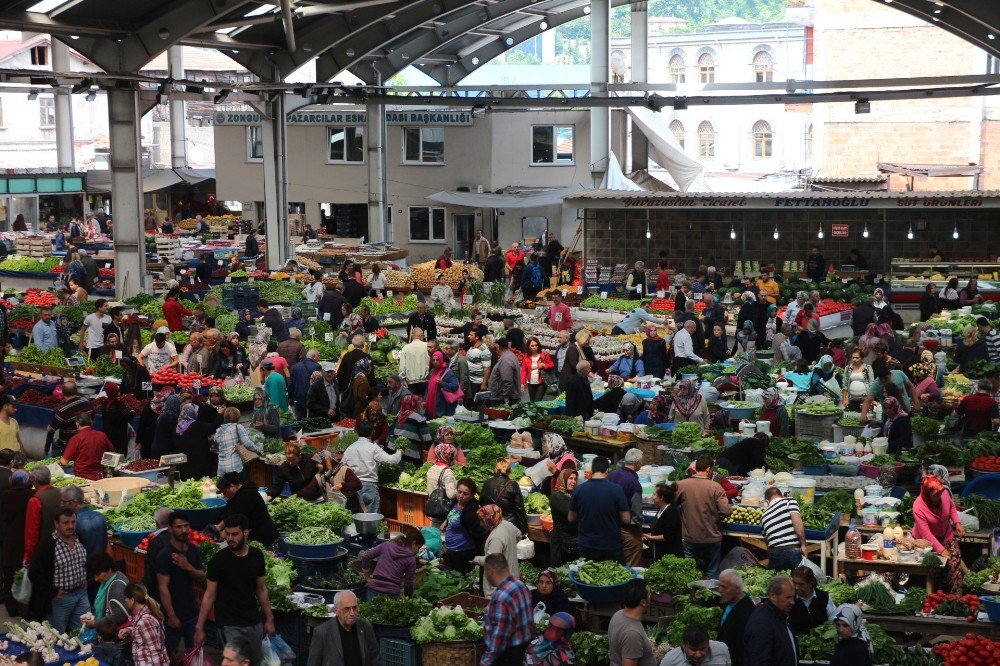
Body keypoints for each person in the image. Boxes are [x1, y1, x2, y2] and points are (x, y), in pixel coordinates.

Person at [194, 514, 276, 666]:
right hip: (229, 624)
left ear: (246, 532)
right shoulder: (218, 560)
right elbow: (209, 596)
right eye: (227, 533)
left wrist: (269, 619)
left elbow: (261, 589)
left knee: (254, 661)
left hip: (253, 621)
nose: (230, 538)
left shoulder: (257, 556)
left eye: (235, 534)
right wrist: (200, 627)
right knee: (235, 662)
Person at [153, 512, 205, 657]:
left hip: (192, 613)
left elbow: (201, 577)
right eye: (179, 527)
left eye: (186, 526)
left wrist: (187, 566)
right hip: (173, 615)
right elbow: (163, 587)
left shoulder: (193, 550)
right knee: (170, 655)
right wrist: (171, 615)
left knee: (194, 654)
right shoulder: (165, 555)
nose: (183, 530)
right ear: (170, 529)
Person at [28, 509, 89, 631]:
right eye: (65, 523)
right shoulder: (48, 545)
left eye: (73, 522)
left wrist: (84, 577)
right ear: (56, 524)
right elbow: (34, 573)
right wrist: (52, 592)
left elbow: (82, 561)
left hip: (81, 593)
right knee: (58, 634)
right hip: (61, 599)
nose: (70, 526)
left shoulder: (79, 538)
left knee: (83, 630)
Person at [674, 455, 733, 580]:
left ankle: (691, 596)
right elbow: (726, 511)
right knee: (712, 571)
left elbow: (671, 503)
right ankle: (709, 597)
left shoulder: (681, 485)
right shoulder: (716, 487)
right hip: (712, 537)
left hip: (690, 536)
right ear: (708, 469)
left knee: (690, 572)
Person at [568, 456, 631, 563]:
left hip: (587, 545)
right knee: (613, 577)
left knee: (590, 576)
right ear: (607, 470)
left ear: (592, 470)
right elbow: (626, 519)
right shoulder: (616, 490)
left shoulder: (579, 490)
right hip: (611, 545)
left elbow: (571, 518)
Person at [911, 475, 965, 592]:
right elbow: (926, 534)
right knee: (931, 571)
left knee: (954, 567)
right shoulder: (918, 507)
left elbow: (951, 507)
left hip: (946, 535)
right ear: (927, 494)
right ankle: (933, 598)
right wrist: (941, 550)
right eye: (936, 495)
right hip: (925, 543)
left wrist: (957, 523)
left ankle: (954, 598)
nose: (940, 496)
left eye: (941, 493)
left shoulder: (943, 493)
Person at [481, 552, 534, 665]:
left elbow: (499, 639)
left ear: (490, 570)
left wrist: (485, 662)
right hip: (523, 650)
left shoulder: (500, 597)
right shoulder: (520, 585)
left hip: (506, 657)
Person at [307, 590, 379, 666]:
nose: (352, 613)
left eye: (354, 608)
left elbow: (375, 660)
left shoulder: (366, 627)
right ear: (336, 611)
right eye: (346, 609)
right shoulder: (322, 632)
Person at [343, 420, 401, 513]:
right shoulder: (373, 448)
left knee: (355, 520)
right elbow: (393, 461)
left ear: (357, 432)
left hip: (354, 488)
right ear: (372, 432)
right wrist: (399, 452)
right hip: (370, 487)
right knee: (371, 521)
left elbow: (343, 467)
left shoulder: (350, 448)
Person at [743, 576, 798, 666]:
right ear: (773, 595)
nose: (792, 602)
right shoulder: (761, 624)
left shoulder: (781, 616)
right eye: (787, 597)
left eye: (793, 597)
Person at [608, 448, 646, 567]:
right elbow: (636, 515)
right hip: (627, 530)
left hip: (609, 526)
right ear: (638, 463)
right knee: (630, 565)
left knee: (613, 564)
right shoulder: (634, 484)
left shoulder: (612, 475)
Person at [360, 530, 424, 600]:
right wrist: (408, 597)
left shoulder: (387, 545)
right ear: (413, 544)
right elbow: (408, 582)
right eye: (418, 547)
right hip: (392, 593)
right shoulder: (411, 559)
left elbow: (366, 557)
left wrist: (367, 576)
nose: (418, 551)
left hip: (374, 588)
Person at [1, 470, 32, 615]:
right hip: (26, 542)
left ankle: (12, 609)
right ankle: (25, 609)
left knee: (9, 577)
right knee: (24, 577)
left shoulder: (5, 496)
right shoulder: (32, 496)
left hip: (8, 543)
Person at [475, 506, 523, 596]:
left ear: (489, 520)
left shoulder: (496, 538)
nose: (480, 524)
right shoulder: (507, 524)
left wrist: (476, 559)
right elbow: (519, 534)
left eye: (482, 520)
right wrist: (508, 547)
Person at [758, 487, 808, 571]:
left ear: (767, 501)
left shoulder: (763, 517)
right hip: (792, 551)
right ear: (781, 496)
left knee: (779, 582)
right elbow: (797, 523)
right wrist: (803, 544)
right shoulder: (789, 501)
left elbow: (767, 543)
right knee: (798, 581)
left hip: (774, 554)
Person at [119, 583, 170, 665]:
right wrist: (129, 630)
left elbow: (155, 651)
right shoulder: (146, 611)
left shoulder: (145, 621)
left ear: (132, 600)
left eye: (126, 598)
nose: (125, 600)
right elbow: (145, 632)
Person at [439, 477, 482, 574]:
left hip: (462, 553)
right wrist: (446, 521)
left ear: (472, 495)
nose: (461, 496)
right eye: (459, 491)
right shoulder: (456, 502)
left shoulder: (472, 511)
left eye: (465, 494)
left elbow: (477, 533)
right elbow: (453, 514)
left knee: (457, 581)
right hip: (450, 550)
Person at [608, 579, 655, 666]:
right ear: (643, 602)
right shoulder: (632, 634)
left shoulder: (618, 614)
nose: (650, 595)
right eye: (649, 593)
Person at [58, 412, 114, 481]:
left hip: (82, 479)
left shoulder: (76, 439)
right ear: (91, 422)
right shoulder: (102, 435)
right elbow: (112, 454)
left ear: (77, 424)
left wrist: (58, 462)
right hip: (100, 477)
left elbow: (64, 462)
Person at [23, 465, 61, 564]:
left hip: (43, 550)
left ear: (34, 480)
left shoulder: (35, 500)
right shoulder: (61, 493)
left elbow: (32, 531)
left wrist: (28, 555)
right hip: (62, 547)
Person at [212, 407, 263, 481]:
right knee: (241, 489)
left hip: (222, 468)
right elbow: (247, 444)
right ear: (237, 417)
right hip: (235, 467)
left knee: (226, 491)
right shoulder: (238, 427)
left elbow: (216, 439)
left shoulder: (219, 430)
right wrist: (258, 449)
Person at [83, 552, 129, 632]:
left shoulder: (117, 588)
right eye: (94, 575)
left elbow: (121, 615)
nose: (96, 579)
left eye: (98, 575)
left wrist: (96, 623)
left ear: (109, 569)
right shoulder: (109, 579)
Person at [718, 569, 755, 666]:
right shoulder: (729, 601)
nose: (720, 590)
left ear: (737, 589)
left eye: (724, 587)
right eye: (719, 585)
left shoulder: (747, 612)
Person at [482, 457, 528, 533]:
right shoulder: (513, 485)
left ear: (496, 469)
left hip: (491, 525)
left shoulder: (486, 483)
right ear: (510, 470)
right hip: (509, 526)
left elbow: (482, 503)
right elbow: (519, 509)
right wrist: (524, 530)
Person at [60, 485, 106, 557]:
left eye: (63, 502)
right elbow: (107, 544)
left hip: (85, 564)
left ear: (74, 503)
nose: (61, 505)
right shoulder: (100, 516)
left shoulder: (73, 523)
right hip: (101, 563)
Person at [789, 565, 835, 634]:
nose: (797, 587)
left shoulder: (823, 597)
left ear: (810, 584)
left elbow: (833, 619)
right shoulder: (790, 598)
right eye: (794, 583)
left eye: (801, 584)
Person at [661, 624, 732, 666]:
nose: (698, 655)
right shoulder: (670, 660)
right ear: (683, 645)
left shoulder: (722, 649)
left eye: (702, 649)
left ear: (708, 643)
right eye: (693, 649)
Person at [645, 482, 683, 559]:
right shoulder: (661, 510)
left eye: (654, 494)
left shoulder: (671, 512)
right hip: (658, 551)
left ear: (661, 497)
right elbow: (658, 530)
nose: (652, 497)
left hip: (668, 554)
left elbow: (668, 536)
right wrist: (648, 535)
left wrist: (651, 537)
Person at [425, 349, 461, 418]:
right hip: (431, 404)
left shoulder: (448, 372)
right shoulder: (432, 371)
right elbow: (428, 388)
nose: (435, 362)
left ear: (441, 360)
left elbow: (455, 386)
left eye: (437, 360)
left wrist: (443, 383)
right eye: (433, 360)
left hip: (442, 406)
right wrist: (425, 400)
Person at [488, 337, 521, 404]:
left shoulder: (505, 360)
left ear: (498, 347)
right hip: (504, 396)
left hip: (502, 398)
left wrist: (506, 397)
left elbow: (507, 380)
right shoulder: (510, 355)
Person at [151, 393, 182, 459]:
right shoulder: (171, 416)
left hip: (158, 448)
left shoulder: (164, 413)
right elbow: (175, 434)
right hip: (164, 451)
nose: (181, 407)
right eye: (180, 404)